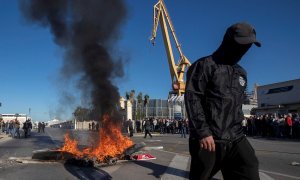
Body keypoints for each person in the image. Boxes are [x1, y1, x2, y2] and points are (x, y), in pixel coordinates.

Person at [185, 22, 261, 180]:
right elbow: (193, 99)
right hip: (210, 140)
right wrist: (203, 132)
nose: (246, 50)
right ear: (229, 41)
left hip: (236, 137)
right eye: (243, 44)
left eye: (249, 45)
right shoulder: (204, 66)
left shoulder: (241, 73)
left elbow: (237, 106)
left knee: (250, 165)